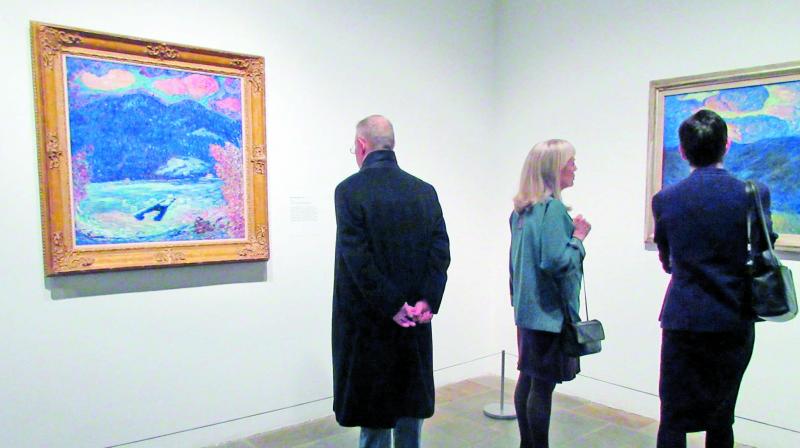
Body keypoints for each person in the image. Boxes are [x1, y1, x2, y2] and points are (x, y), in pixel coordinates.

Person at [652, 109, 777, 448]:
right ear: (727, 145)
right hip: (732, 319)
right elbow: (765, 248)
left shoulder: (665, 199)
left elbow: (667, 261)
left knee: (673, 417)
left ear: (682, 151)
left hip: (683, 319)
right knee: (721, 418)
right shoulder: (754, 193)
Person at [332, 115, 451, 448]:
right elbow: (439, 250)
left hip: (370, 322)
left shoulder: (349, 191)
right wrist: (425, 300)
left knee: (374, 415)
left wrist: (391, 304)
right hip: (415, 319)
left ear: (361, 145)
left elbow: (357, 258)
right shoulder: (424, 191)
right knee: (409, 406)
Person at [509, 139, 591, 448]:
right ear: (554, 167)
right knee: (541, 387)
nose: (575, 167)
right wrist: (579, 238)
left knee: (528, 379)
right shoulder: (553, 210)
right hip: (550, 314)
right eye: (570, 161)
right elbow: (556, 261)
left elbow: (515, 265)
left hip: (528, 311)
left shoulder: (521, 211)